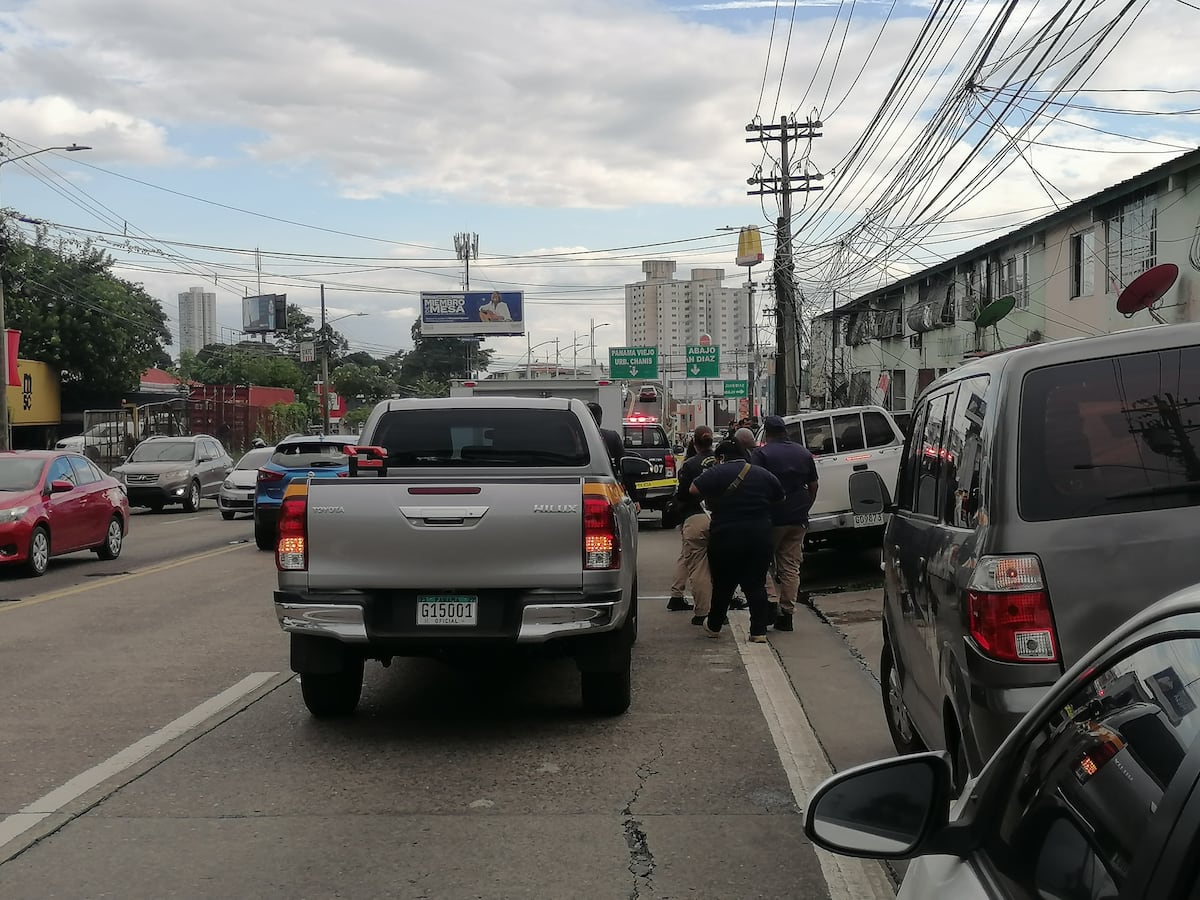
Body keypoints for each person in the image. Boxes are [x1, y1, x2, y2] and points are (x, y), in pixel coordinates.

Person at [691, 439, 783, 643]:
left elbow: (693, 490)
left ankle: (714, 625)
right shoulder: (763, 474)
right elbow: (779, 497)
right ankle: (758, 631)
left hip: (726, 536)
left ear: (721, 457)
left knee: (723, 584)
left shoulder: (716, 472)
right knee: (756, 584)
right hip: (759, 536)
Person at [752, 415, 819, 632]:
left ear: (768, 433)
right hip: (798, 518)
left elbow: (756, 484)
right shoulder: (803, 452)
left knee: (761, 562)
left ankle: (771, 602)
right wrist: (806, 506)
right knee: (791, 566)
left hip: (772, 517)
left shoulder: (761, 453)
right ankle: (787, 614)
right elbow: (813, 484)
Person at [667, 426, 715, 616]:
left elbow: (682, 494)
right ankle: (679, 596)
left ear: (694, 443)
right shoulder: (720, 462)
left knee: (694, 561)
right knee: (713, 562)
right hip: (719, 517)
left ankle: (700, 609)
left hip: (694, 516)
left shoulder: (690, 465)